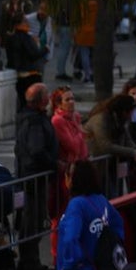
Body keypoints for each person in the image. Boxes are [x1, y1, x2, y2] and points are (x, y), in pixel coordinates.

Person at [13, 83, 58, 270]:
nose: (49, 97)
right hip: (33, 178)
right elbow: (36, 150)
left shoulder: (32, 118)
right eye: (46, 94)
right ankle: (30, 263)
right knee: (33, 221)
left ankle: (30, 262)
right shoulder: (33, 122)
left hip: (32, 175)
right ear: (40, 100)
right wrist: (54, 164)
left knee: (33, 221)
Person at [50, 86, 88, 215]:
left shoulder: (74, 116)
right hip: (66, 172)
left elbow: (83, 149)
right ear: (59, 103)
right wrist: (78, 128)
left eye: (73, 98)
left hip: (78, 168)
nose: (72, 102)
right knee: (64, 209)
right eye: (67, 100)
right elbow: (73, 146)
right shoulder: (58, 121)